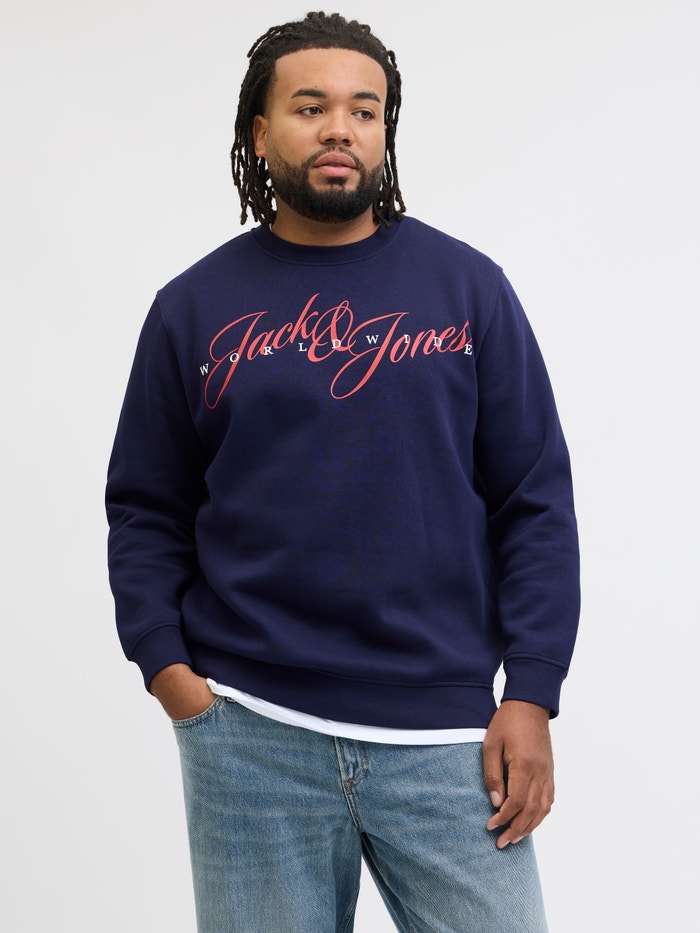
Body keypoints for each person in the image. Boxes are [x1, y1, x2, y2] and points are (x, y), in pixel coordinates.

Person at [106, 11, 580, 932]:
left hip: (444, 733)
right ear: (260, 132)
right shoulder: (193, 308)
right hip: (250, 729)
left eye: (365, 111)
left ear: (385, 132)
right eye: (311, 106)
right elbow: (146, 508)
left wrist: (531, 691)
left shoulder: (467, 290)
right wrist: (170, 671)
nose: (340, 129)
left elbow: (535, 502)